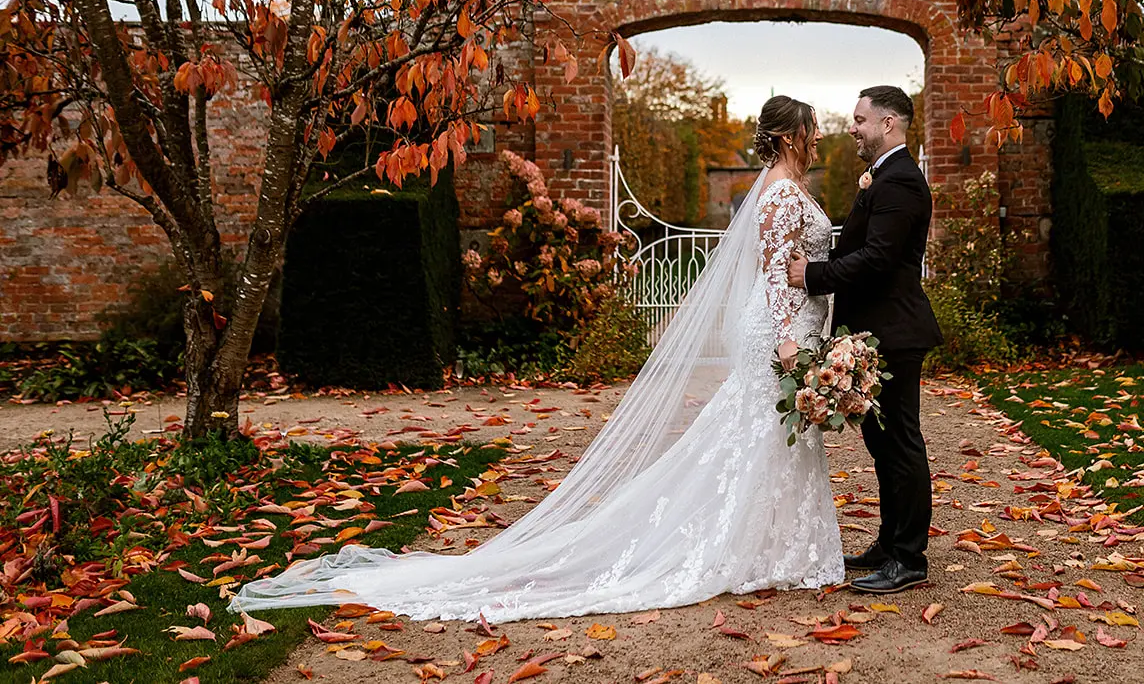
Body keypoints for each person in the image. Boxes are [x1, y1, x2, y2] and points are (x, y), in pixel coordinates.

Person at [230, 96, 844, 622]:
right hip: (783, 331)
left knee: (764, 434)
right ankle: (767, 547)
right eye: (813, 129)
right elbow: (775, 276)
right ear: (791, 135)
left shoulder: (771, 188)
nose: (819, 138)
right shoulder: (783, 195)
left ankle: (773, 545)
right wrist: (791, 341)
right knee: (765, 432)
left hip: (784, 327)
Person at [787, 85, 941, 594]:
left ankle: (908, 558)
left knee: (899, 442)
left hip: (894, 330)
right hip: (878, 329)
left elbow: (876, 260)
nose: (852, 127)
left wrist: (812, 274)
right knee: (881, 442)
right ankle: (889, 541)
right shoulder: (887, 176)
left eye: (859, 120)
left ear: (889, 123)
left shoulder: (900, 183)